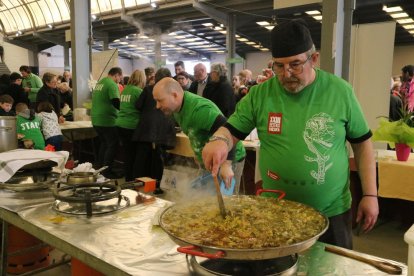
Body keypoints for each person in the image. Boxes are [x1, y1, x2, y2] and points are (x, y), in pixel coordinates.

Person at [202, 19, 378, 249]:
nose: (286, 74)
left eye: (295, 64)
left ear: (313, 59)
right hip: (274, 209)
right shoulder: (260, 94)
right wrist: (219, 141)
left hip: (331, 211)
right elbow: (231, 130)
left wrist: (370, 195)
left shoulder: (340, 91)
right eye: (279, 65)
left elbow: (362, 144)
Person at [153, 77, 246, 194]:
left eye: (160, 100)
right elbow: (195, 132)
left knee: (226, 203)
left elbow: (230, 132)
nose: (157, 106)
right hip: (211, 158)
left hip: (231, 157)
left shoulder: (200, 110)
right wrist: (198, 153)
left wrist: (227, 164)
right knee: (205, 201)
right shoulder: (177, 109)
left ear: (175, 95)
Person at [132, 68, 176, 195]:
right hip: (160, 130)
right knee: (157, 159)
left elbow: (138, 105)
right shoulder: (171, 92)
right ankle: (156, 186)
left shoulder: (147, 89)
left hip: (145, 129)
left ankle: (138, 184)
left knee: (141, 158)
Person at [91, 67, 123, 179]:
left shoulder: (100, 82)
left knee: (104, 143)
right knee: (112, 144)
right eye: (120, 77)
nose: (120, 80)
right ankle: (107, 170)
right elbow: (116, 102)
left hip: (96, 119)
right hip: (107, 120)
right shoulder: (112, 84)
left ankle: (100, 167)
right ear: (116, 75)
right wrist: (125, 111)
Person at [116, 69, 146, 181]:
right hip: (132, 126)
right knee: (134, 155)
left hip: (120, 124)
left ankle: (128, 177)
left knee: (127, 153)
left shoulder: (125, 90)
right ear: (142, 79)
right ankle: (133, 179)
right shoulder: (138, 92)